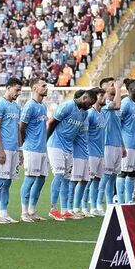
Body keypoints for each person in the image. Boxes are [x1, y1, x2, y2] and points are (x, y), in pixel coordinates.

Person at [47, 89, 96, 221]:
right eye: (90, 103)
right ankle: (53, 209)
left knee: (67, 179)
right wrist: (45, 142)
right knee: (58, 175)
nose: (90, 106)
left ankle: (64, 210)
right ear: (84, 98)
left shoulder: (84, 114)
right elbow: (51, 123)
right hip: (56, 145)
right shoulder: (67, 106)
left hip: (69, 148)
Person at [0, 77, 23, 224]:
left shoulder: (16, 107)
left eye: (20, 90)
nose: (19, 93)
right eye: (17, 90)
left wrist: (20, 149)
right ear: (8, 88)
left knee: (8, 181)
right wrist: (0, 149)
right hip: (3, 149)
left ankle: (4, 213)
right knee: (0, 181)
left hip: (14, 148)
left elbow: (17, 128)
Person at [19, 78, 48, 222]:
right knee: (30, 179)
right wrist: (23, 144)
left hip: (42, 148)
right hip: (31, 148)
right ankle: (24, 212)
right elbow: (21, 127)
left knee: (41, 179)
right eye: (43, 86)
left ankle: (32, 210)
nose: (46, 88)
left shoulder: (43, 106)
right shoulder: (29, 106)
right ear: (35, 88)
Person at [99, 78, 124, 208]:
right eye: (111, 85)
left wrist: (122, 145)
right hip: (107, 144)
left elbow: (118, 126)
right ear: (104, 89)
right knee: (105, 176)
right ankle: (97, 204)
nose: (114, 86)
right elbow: (117, 105)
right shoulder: (105, 105)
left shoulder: (115, 104)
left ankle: (109, 204)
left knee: (113, 177)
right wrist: (119, 88)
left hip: (117, 145)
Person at [117, 79, 135, 204]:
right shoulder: (125, 103)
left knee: (132, 173)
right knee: (123, 172)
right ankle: (120, 200)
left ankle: (129, 200)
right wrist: (121, 145)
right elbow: (117, 124)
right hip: (126, 145)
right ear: (130, 89)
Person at [85, 88, 108, 215]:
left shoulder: (103, 114)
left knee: (97, 180)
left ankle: (93, 207)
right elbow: (84, 133)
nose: (104, 98)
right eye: (101, 96)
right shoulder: (90, 114)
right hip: (90, 152)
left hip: (100, 152)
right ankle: (83, 207)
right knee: (88, 180)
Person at [69, 90, 92, 219]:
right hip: (75, 152)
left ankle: (76, 208)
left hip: (85, 152)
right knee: (73, 181)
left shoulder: (85, 115)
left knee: (84, 180)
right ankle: (69, 208)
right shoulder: (74, 114)